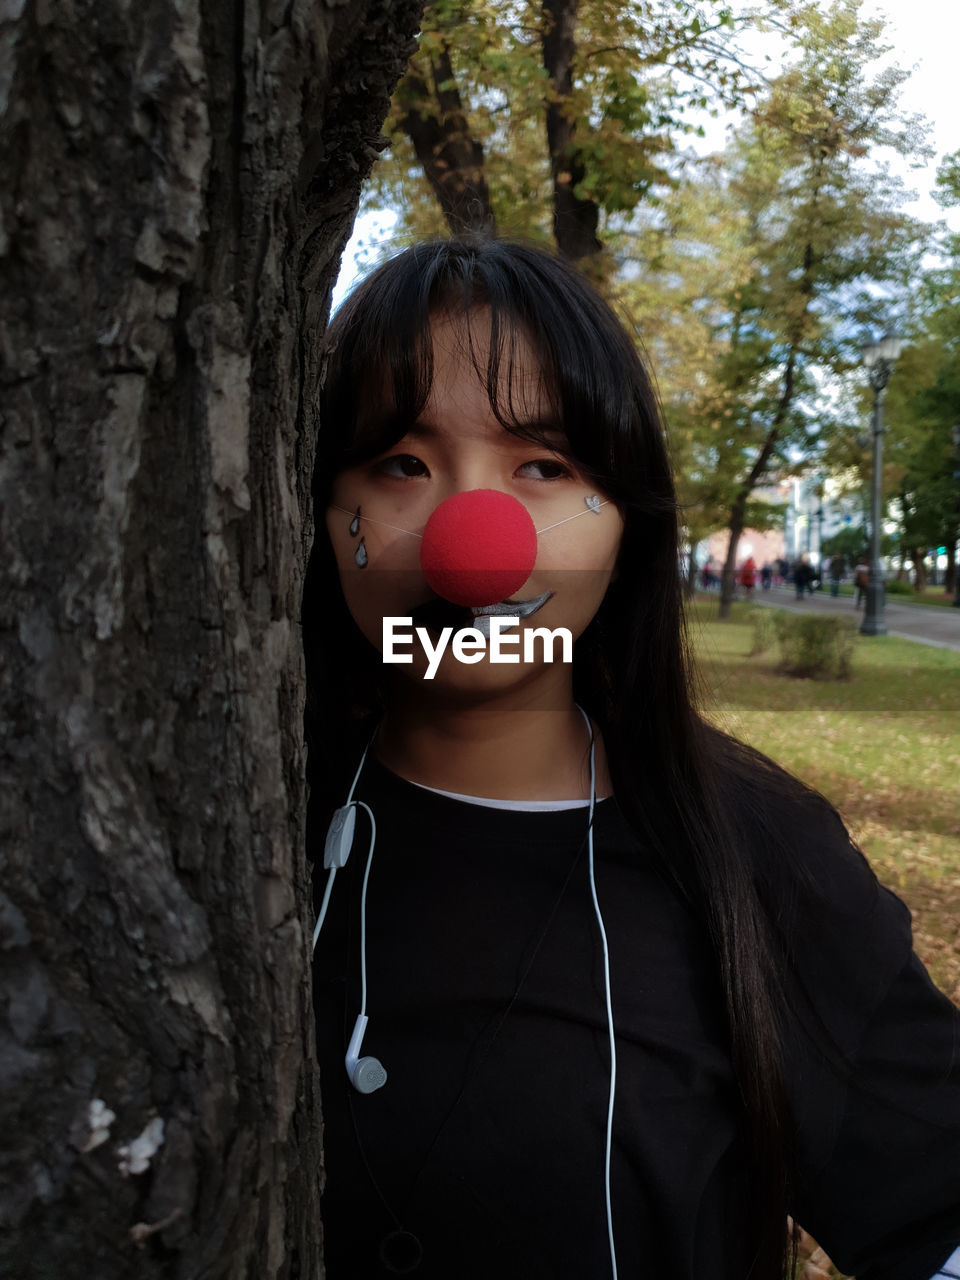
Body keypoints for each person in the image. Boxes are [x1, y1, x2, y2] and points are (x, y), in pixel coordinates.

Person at [304, 239, 960, 1280]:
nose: (477, 537)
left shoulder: (758, 852)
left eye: (544, 465)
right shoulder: (234, 812)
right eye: (401, 463)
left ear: (627, 519)